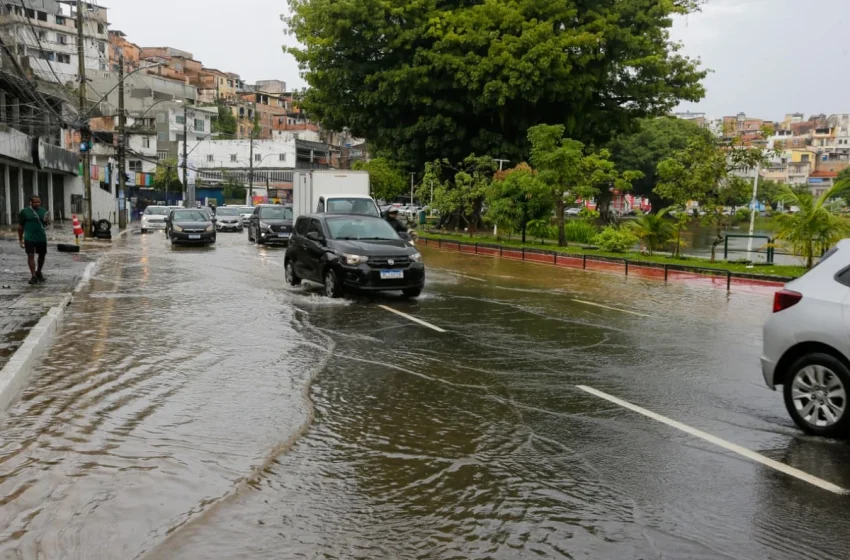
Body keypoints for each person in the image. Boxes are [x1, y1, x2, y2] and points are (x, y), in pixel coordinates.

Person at [18, 195, 50, 285]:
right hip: (29, 237)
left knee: (42, 255)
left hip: (41, 237)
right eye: (35, 202)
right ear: (30, 202)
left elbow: (47, 224)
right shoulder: (24, 212)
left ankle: (38, 272)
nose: (37, 204)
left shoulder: (44, 211)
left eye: (38, 202)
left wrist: (47, 221)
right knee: (30, 255)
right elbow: (20, 226)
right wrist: (20, 239)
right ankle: (33, 276)